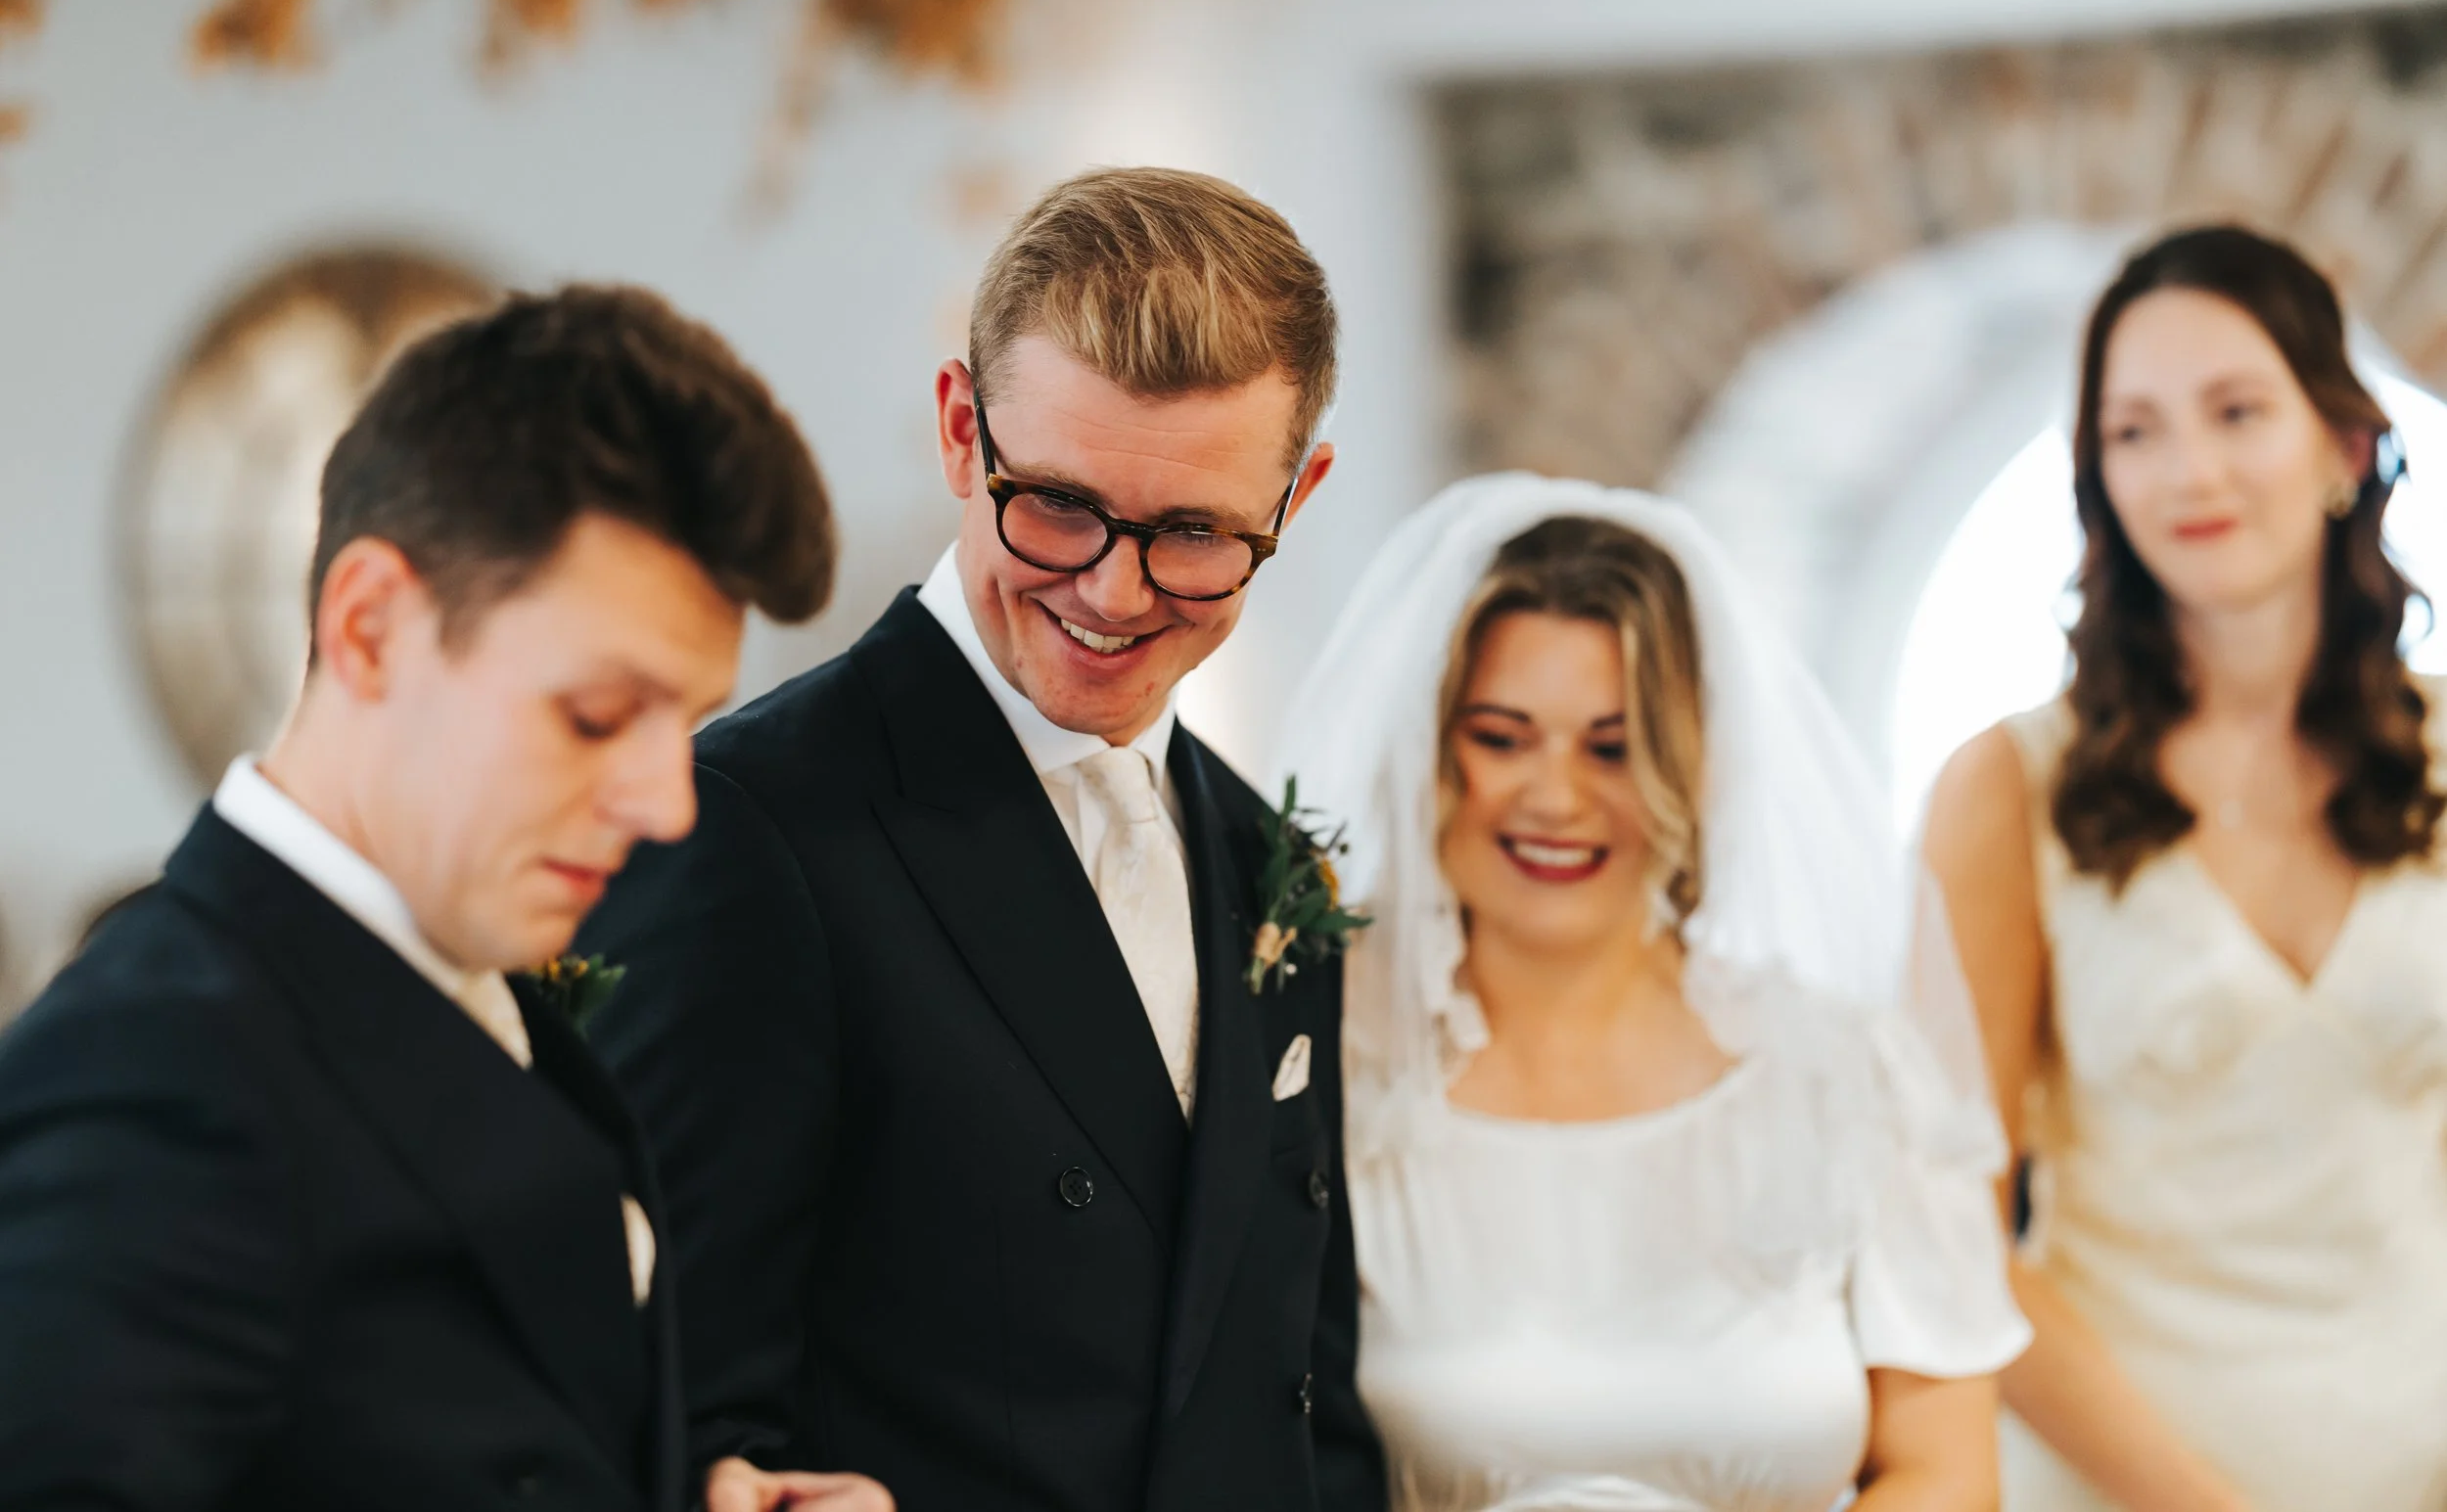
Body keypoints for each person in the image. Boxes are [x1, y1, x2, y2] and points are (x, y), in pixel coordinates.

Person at [0, 287, 887, 1512]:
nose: (665, 803)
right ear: (369, 627)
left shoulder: (493, 1000)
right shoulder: (155, 1077)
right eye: (596, 715)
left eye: (682, 721)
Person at [578, 167, 1386, 1512]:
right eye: (1057, 503)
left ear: (1295, 499)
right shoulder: (744, 828)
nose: (1111, 591)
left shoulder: (1274, 866)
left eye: (1192, 532)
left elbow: (1303, 1394)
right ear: (963, 429)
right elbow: (666, 1398)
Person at [1278, 476, 2030, 1512]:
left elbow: (1941, 1467)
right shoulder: (1319, 1076)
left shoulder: (1849, 1074)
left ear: (1690, 761)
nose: (1554, 795)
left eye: (1613, 747)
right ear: (1431, 744)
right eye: (1500, 736)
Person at [1924, 225, 2447, 1512]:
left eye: (2235, 410)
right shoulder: (2008, 786)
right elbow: (1950, 1230)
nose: (2189, 469)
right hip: (2117, 1483)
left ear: (2339, 441)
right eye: (2135, 430)